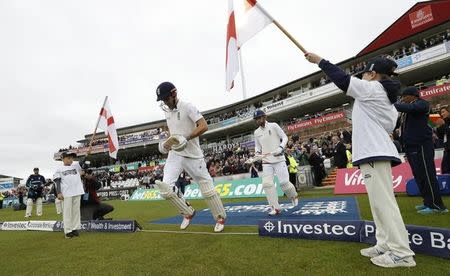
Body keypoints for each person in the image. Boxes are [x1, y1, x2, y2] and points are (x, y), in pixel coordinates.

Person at [305, 53, 415, 268]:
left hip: (374, 152)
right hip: (375, 152)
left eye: (363, 74)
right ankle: (384, 244)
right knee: (378, 204)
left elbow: (344, 81)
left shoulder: (374, 88)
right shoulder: (382, 97)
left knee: (384, 204)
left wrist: (320, 61)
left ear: (373, 74)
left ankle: (402, 252)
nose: (360, 78)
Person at [154, 82, 226, 232]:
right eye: (162, 100)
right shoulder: (167, 111)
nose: (165, 103)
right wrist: (167, 143)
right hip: (175, 153)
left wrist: (186, 137)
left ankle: (220, 218)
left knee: (207, 189)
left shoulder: (188, 106)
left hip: (193, 154)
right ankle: (188, 213)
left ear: (174, 94)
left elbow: (203, 126)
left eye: (166, 99)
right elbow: (173, 131)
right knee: (165, 189)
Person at [394, 86, 448, 214]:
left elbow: (412, 108)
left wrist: (392, 103)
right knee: (419, 176)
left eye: (404, 96)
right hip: (411, 146)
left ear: (412, 95)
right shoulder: (405, 111)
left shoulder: (422, 104)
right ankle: (427, 202)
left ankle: (437, 206)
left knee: (427, 175)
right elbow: (396, 124)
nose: (402, 99)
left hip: (422, 145)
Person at [253, 109, 298, 215]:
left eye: (259, 118)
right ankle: (275, 208)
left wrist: (281, 147)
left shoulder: (274, 126)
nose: (258, 121)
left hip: (279, 159)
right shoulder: (256, 132)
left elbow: (285, 137)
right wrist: (257, 153)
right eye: (256, 119)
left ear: (265, 117)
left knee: (284, 183)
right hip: (266, 162)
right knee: (267, 184)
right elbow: (258, 146)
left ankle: (293, 195)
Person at [53, 152, 86, 238]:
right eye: (68, 158)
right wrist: (59, 192)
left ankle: (75, 229)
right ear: (62, 159)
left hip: (77, 191)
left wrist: (86, 154)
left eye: (71, 158)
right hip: (66, 193)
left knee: (76, 212)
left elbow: (82, 162)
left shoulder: (75, 166)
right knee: (67, 212)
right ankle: (68, 231)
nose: (70, 160)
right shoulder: (59, 169)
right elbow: (57, 181)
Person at [436, 106, 450, 173]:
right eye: (441, 113)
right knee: (445, 169)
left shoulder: (446, 123)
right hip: (446, 149)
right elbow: (440, 137)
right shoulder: (444, 122)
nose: (442, 114)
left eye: (443, 112)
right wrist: (438, 128)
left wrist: (443, 125)